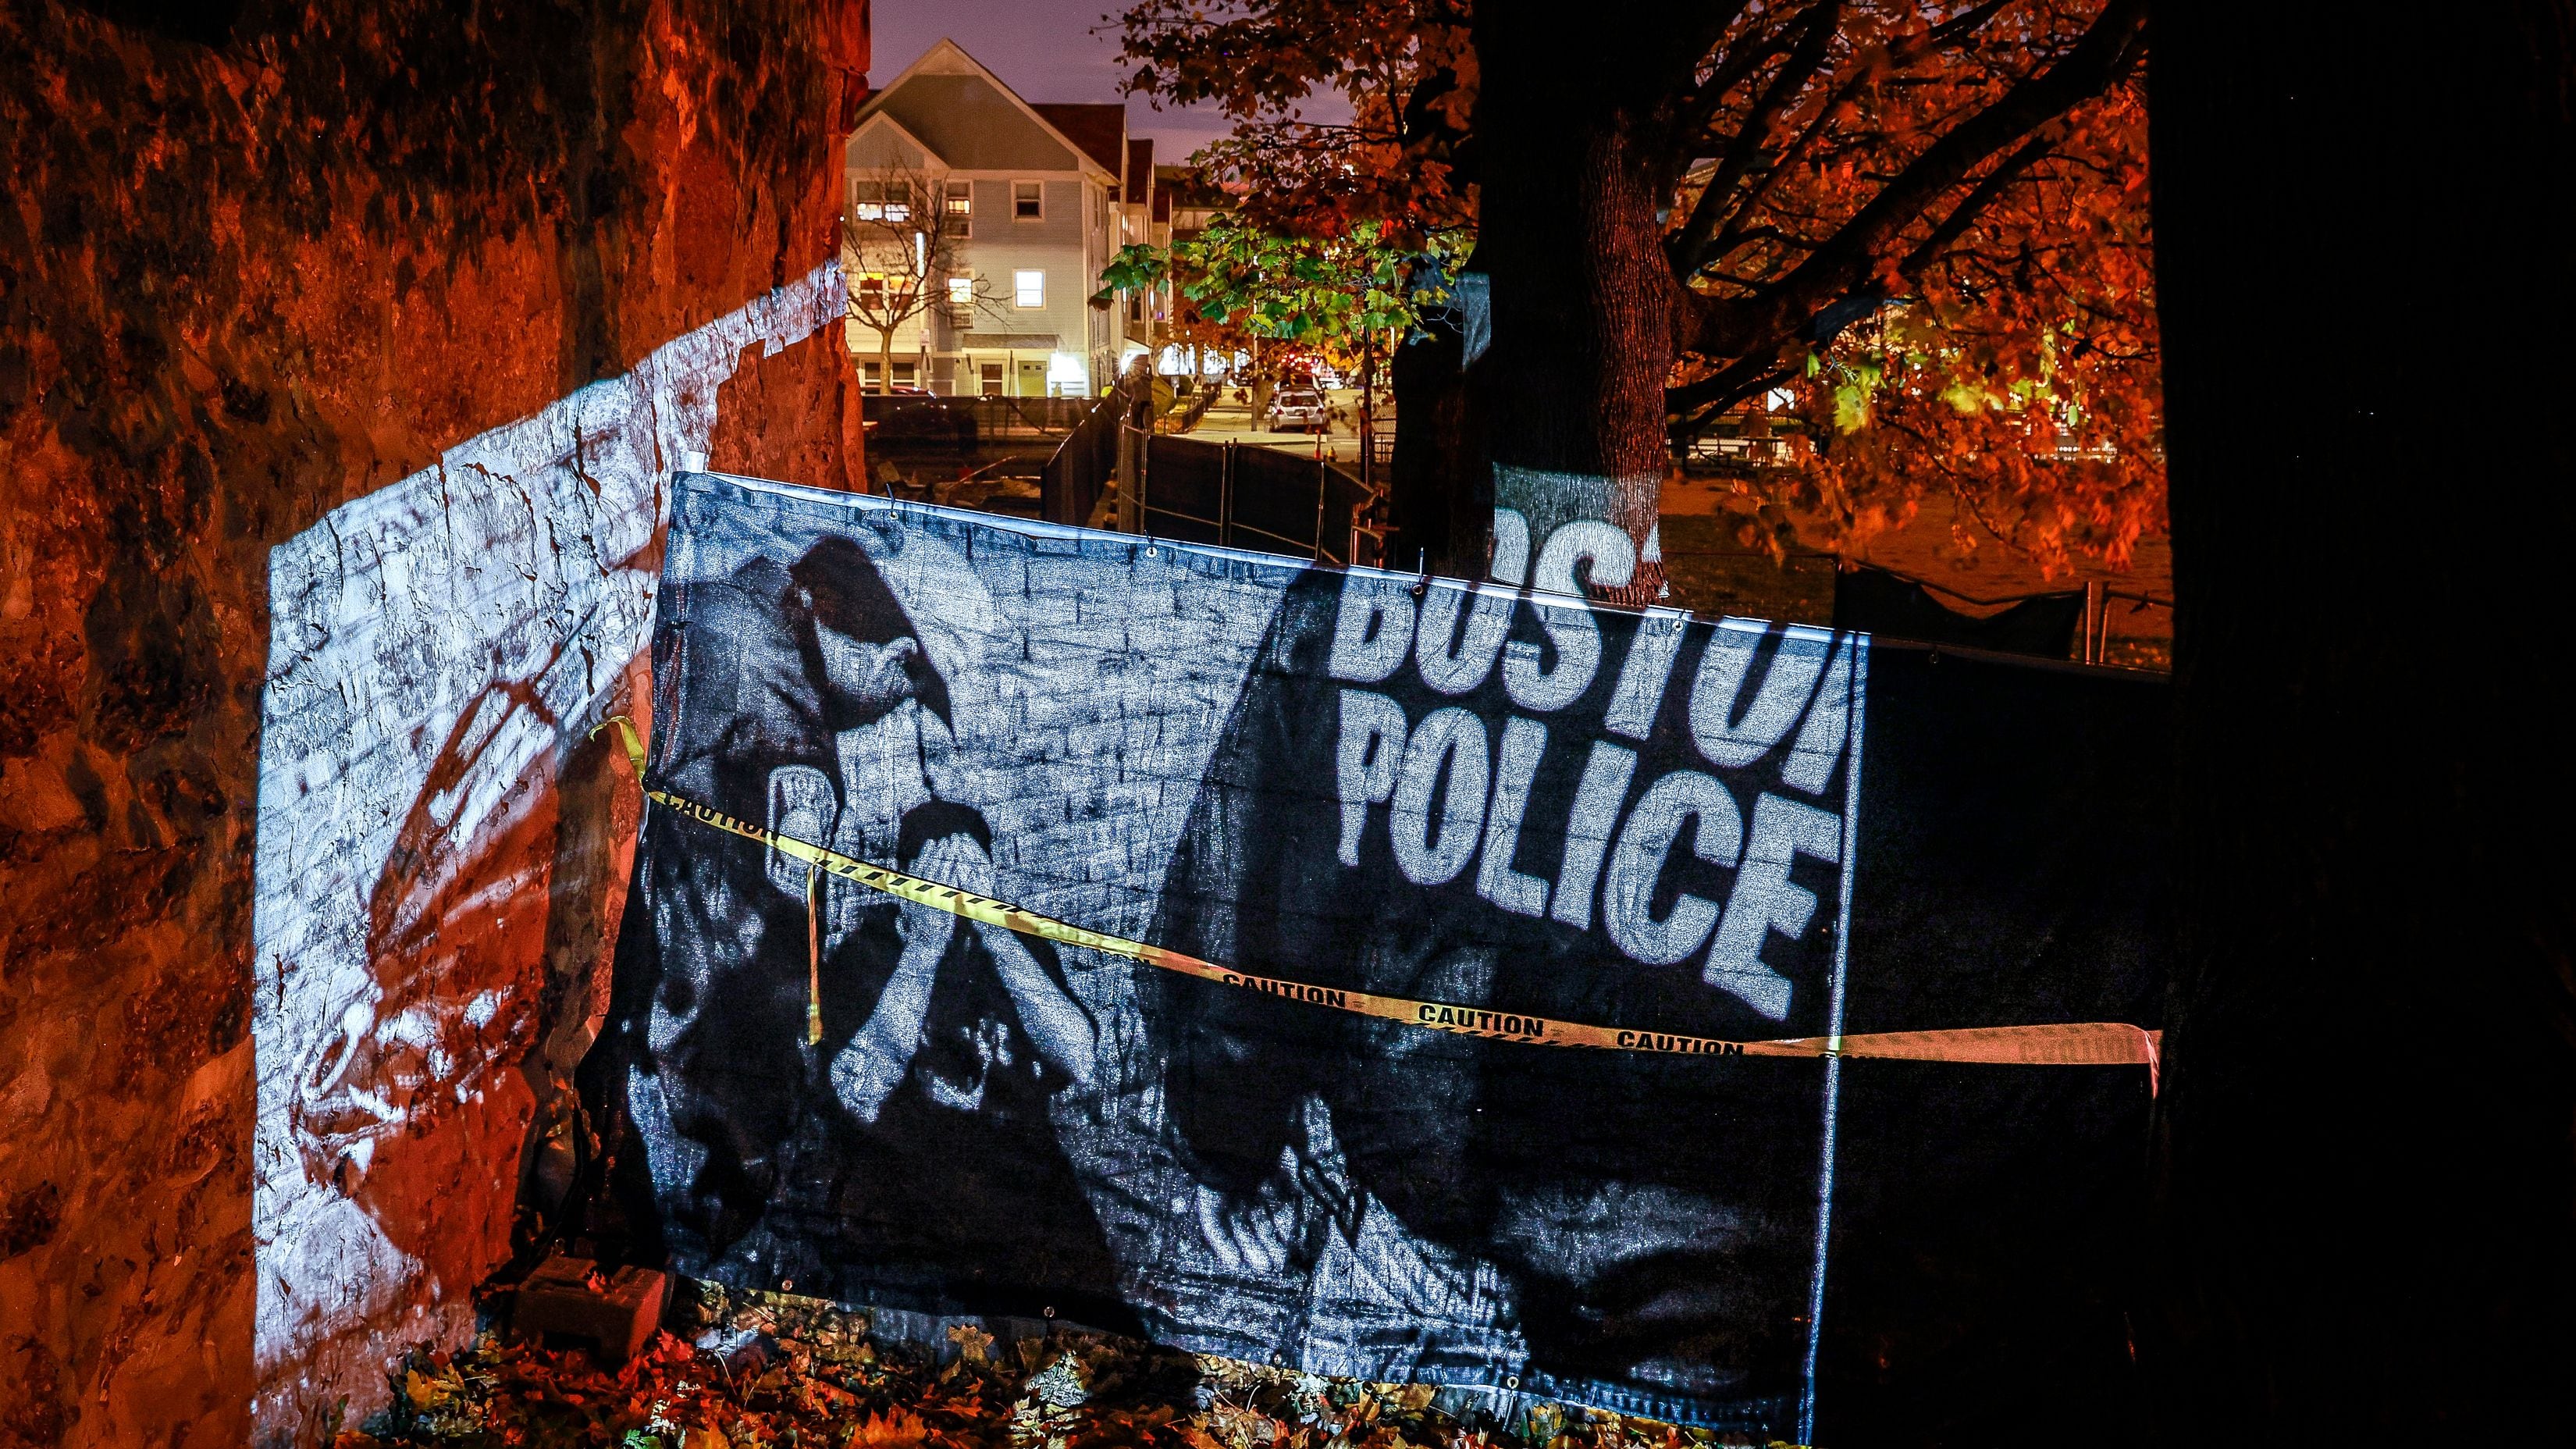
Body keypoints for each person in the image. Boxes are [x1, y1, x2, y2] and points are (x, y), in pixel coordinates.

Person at [621, 533, 1130, 1325]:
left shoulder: (735, 632)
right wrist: (921, 949)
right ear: (894, 650)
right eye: (909, 684)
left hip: (1012, 1222)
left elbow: (1083, 1053)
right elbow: (744, 955)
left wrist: (992, 931)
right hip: (696, 1104)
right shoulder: (764, 677)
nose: (892, 705)